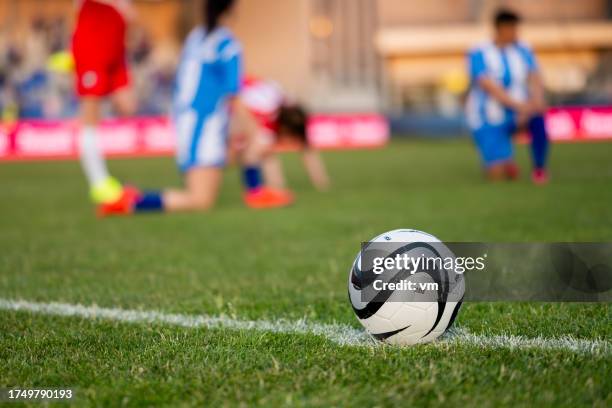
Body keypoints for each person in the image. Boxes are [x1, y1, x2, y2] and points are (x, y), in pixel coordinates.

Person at [99, 0, 294, 216]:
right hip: (204, 124)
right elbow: (233, 96)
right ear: (232, 11)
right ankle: (131, 202)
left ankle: (257, 192)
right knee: (200, 200)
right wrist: (255, 131)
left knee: (235, 149)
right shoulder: (227, 45)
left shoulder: (196, 37)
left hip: (190, 120)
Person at [465, 8, 550, 184]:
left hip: (519, 113)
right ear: (500, 28)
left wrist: (537, 100)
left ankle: (539, 168)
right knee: (498, 175)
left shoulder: (523, 49)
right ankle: (505, 163)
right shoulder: (479, 52)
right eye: (512, 28)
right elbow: (489, 87)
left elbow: (535, 76)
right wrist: (520, 106)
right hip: (488, 118)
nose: (515, 33)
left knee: (538, 117)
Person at [72, 0, 137, 204]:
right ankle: (98, 183)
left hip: (116, 50)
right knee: (90, 114)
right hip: (93, 47)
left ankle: (104, 176)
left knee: (128, 106)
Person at [237, 76, 330, 191]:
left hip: (237, 86)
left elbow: (305, 145)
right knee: (254, 152)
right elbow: (250, 156)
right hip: (224, 93)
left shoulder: (286, 109)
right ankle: (255, 192)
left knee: (264, 150)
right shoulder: (268, 114)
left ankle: (272, 189)